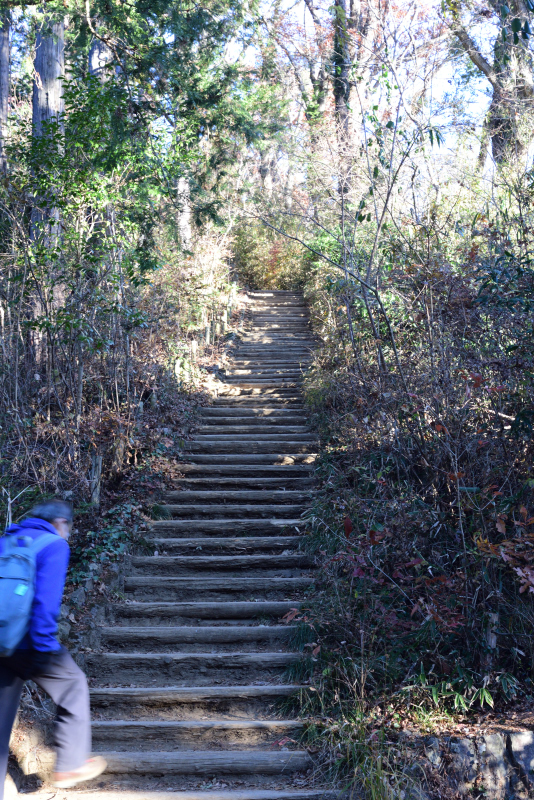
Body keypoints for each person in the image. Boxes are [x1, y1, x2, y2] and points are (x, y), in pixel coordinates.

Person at [0, 500, 106, 800]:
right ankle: (70, 765)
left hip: (1, 640)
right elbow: (46, 603)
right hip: (30, 643)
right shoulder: (53, 545)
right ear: (61, 522)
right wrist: (45, 646)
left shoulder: (7, 539)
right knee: (73, 684)